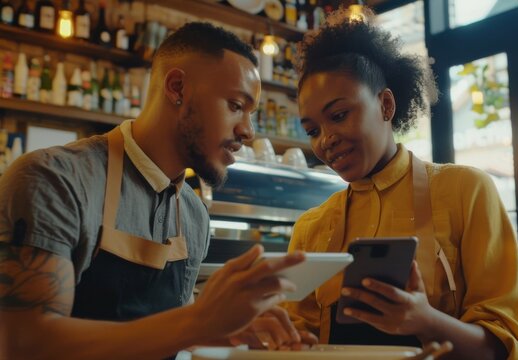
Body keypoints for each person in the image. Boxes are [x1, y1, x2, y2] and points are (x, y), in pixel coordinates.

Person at [0, 22, 314, 359]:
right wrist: (200, 320)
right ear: (177, 87)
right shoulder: (54, 179)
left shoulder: (194, 215)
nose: (248, 131)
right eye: (236, 105)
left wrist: (228, 333)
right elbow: (25, 342)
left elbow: (172, 333)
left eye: (250, 113)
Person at [283, 8, 518, 360]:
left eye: (339, 116)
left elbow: (506, 345)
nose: (326, 140)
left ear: (386, 105)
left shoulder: (466, 191)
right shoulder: (311, 227)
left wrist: (425, 320)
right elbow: (300, 341)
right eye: (312, 131)